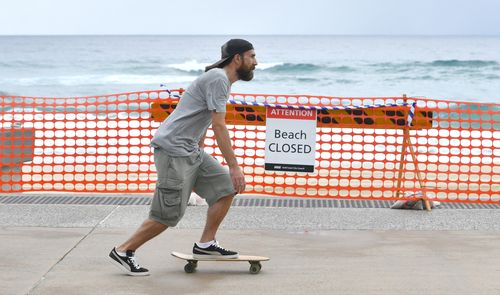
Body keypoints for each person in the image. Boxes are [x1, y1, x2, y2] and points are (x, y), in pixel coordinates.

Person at [109, 39, 258, 276]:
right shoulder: (219, 79)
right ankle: (125, 250)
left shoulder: (221, 80)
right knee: (168, 215)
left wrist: (200, 150)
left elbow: (200, 116)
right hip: (173, 151)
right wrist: (234, 166)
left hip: (190, 150)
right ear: (237, 58)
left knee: (227, 187)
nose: (255, 62)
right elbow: (220, 125)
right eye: (251, 56)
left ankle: (206, 245)